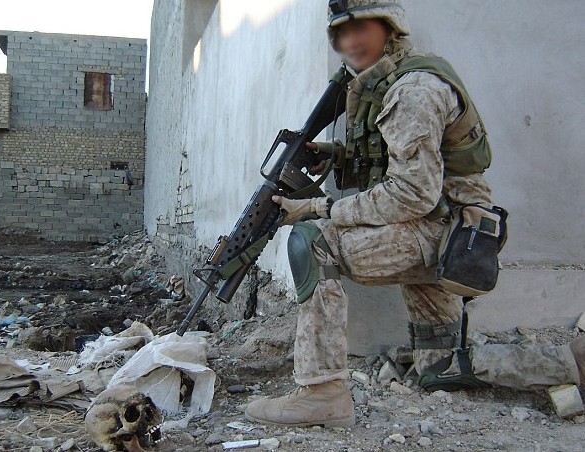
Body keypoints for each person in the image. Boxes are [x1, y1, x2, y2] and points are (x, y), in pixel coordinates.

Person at [245, 0, 585, 428]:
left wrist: (318, 207)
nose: (350, 42)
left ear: (390, 27)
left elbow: (411, 194)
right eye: (342, 33)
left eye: (362, 29)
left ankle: (322, 392)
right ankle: (568, 362)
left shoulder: (412, 91)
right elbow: (405, 160)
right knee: (439, 367)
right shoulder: (395, 78)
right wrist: (335, 154)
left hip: (442, 237)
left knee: (312, 240)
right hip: (450, 232)